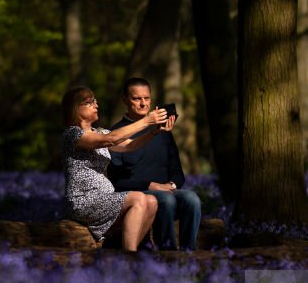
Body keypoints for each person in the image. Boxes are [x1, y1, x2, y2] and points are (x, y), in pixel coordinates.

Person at [60, 86, 174, 251]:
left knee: (152, 201)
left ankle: (127, 250)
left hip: (105, 198)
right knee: (139, 198)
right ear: (75, 108)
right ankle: (129, 256)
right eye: (89, 102)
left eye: (96, 101)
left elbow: (131, 145)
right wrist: (147, 121)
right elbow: (110, 140)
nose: (96, 105)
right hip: (83, 200)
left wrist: (154, 132)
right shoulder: (72, 135)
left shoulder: (100, 132)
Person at [108, 77, 202, 251]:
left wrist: (171, 184)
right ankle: (169, 252)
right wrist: (152, 185)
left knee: (192, 199)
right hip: (141, 194)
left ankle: (190, 253)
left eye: (147, 98)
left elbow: (176, 170)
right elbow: (117, 182)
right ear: (125, 101)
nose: (143, 104)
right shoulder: (116, 133)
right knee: (166, 200)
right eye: (137, 99)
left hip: (166, 190)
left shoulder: (163, 131)